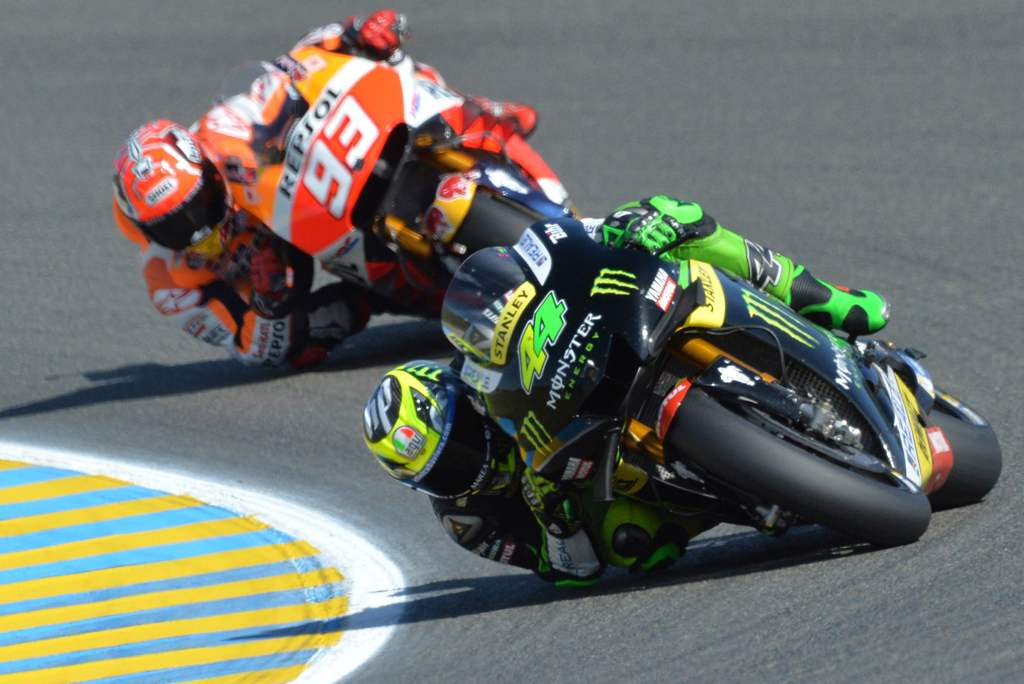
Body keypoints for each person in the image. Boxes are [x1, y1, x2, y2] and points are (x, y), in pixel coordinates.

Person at [363, 195, 891, 585]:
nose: (467, 465)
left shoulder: (480, 369)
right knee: (633, 544)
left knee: (676, 220)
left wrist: (613, 232)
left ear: (460, 399)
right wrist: (556, 522)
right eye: (444, 472)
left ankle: (824, 298)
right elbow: (565, 572)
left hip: (590, 368)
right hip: (595, 480)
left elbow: (554, 255)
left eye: (458, 442)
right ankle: (747, 495)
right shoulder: (468, 521)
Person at [112, 10, 566, 368]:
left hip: (313, 189)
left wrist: (354, 33)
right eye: (174, 227)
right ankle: (398, 293)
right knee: (309, 340)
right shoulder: (170, 283)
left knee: (400, 69)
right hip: (290, 265)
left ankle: (478, 115)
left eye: (199, 206)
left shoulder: (222, 131)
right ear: (145, 231)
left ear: (208, 173)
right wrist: (269, 302)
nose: (197, 230)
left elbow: (292, 66)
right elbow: (251, 351)